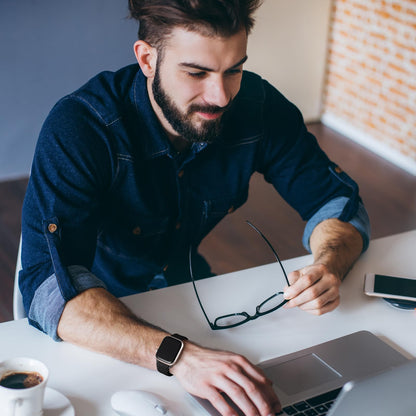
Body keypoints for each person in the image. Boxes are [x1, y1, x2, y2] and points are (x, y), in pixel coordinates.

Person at [19, 1, 370, 415]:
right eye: (196, 73)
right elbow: (46, 283)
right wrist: (180, 357)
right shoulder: (81, 126)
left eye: (233, 70)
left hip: (190, 287)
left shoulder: (257, 106)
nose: (220, 96)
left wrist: (329, 264)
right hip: (95, 319)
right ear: (148, 59)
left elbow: (338, 203)